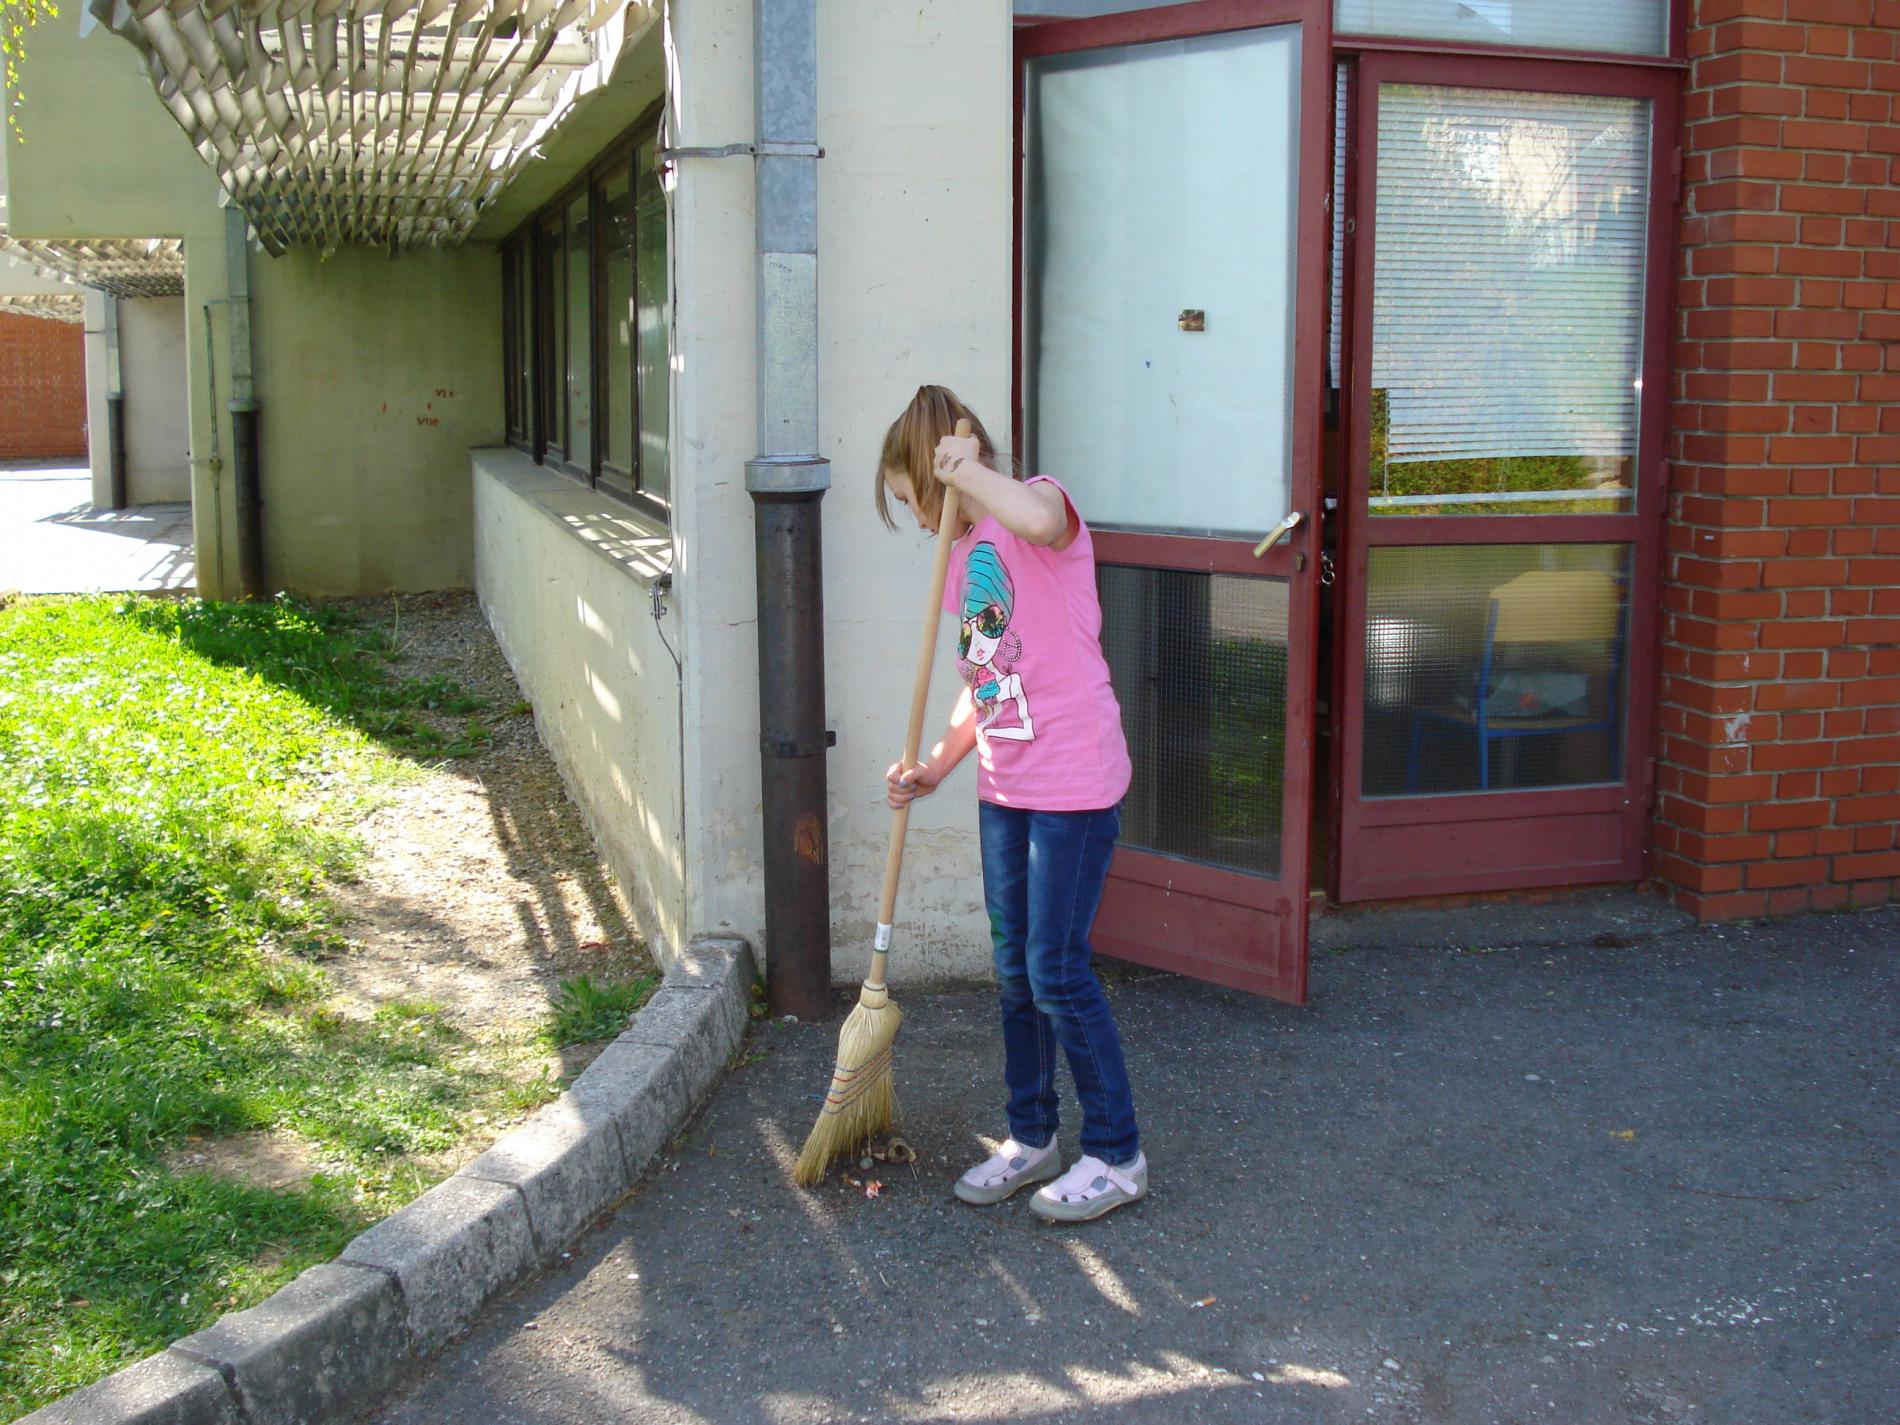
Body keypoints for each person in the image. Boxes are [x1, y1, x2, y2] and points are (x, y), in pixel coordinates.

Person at [874, 384, 1146, 1224]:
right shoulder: (961, 561)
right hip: (1007, 785)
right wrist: (936, 765)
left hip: (1074, 785)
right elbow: (985, 679)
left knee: (1055, 968)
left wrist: (970, 472)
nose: (916, 518)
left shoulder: (1037, 508)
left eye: (912, 499)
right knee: (1015, 972)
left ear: (943, 474)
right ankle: (1032, 1137)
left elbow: (1034, 517)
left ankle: (1117, 1154)